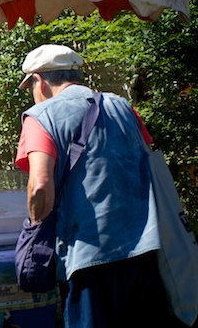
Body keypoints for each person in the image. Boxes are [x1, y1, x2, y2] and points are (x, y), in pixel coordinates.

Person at [15, 44, 174, 327]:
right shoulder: (122, 106)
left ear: (38, 81)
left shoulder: (41, 117)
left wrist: (35, 228)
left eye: (31, 87)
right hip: (146, 247)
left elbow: (39, 185)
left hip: (90, 255)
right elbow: (146, 160)